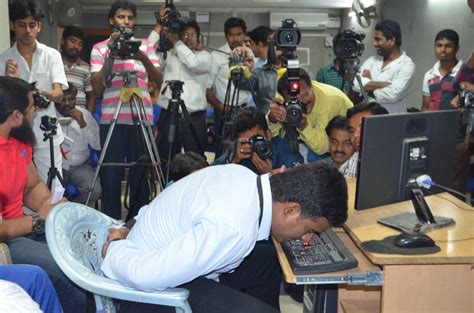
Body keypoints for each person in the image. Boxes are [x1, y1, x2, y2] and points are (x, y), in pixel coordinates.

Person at [101, 162, 348, 313]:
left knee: (268, 260)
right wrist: (116, 247)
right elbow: (143, 276)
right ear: (291, 209)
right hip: (146, 295)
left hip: (172, 263)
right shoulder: (233, 229)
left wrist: (128, 226)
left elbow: (168, 203)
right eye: (310, 230)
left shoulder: (241, 176)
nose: (306, 239)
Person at [0, 76, 85, 312]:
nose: (34, 110)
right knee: (66, 268)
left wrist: (52, 204)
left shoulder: (18, 143)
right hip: (6, 240)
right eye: (30, 107)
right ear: (16, 117)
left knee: (80, 245)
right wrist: (38, 220)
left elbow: (32, 186)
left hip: (21, 230)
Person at [90, 1, 163, 220]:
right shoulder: (100, 48)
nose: (126, 22)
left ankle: (137, 223)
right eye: (121, 17)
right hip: (111, 119)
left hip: (141, 120)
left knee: (140, 176)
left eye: (130, 18)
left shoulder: (146, 47)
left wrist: (141, 57)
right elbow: (97, 88)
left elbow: (158, 80)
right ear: (111, 20)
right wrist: (111, 55)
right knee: (111, 176)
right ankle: (111, 224)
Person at [0, 0, 68, 190]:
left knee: (54, 186)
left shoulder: (52, 55)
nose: (27, 31)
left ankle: (51, 219)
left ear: (39, 27)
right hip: (17, 133)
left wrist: (38, 94)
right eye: (21, 25)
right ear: (12, 26)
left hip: (48, 131)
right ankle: (26, 221)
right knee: (19, 187)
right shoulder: (4, 60)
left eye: (32, 25)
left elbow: (59, 94)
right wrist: (9, 80)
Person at [149, 10, 212, 168]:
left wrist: (177, 41)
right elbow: (148, 54)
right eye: (184, 34)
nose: (188, 38)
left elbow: (193, 64)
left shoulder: (205, 57)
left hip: (194, 118)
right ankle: (166, 188)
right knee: (165, 159)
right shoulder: (169, 54)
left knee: (196, 160)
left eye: (193, 35)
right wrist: (161, 34)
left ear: (199, 39)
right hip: (169, 114)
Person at [267, 69, 353, 160]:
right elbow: (269, 133)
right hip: (306, 140)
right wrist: (273, 118)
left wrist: (303, 127)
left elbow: (322, 147)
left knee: (315, 159)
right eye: (295, 100)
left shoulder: (330, 101)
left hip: (340, 143)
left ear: (312, 86)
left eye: (306, 95)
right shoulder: (282, 97)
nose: (303, 102)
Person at [207, 17, 253, 149]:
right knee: (224, 148)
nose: (235, 39)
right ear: (226, 36)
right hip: (225, 111)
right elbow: (207, 88)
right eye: (231, 35)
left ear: (244, 35)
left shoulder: (250, 54)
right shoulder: (216, 56)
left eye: (239, 34)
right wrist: (221, 107)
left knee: (247, 147)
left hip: (247, 110)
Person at [213, 107, 303, 173]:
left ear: (268, 134)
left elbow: (298, 182)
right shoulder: (239, 150)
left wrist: (269, 175)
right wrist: (232, 161)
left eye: (257, 139)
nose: (254, 145)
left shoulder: (284, 149)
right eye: (248, 142)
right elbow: (210, 173)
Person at [352, 20, 415, 114]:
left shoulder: (407, 65)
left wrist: (368, 86)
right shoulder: (371, 61)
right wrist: (384, 84)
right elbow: (356, 84)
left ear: (392, 40)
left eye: (378, 39)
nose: (374, 43)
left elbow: (393, 94)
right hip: (368, 115)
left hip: (392, 117)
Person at [55, 83, 101, 204]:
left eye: (70, 99)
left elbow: (97, 144)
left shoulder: (85, 114)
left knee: (94, 190)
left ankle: (72, 210)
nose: (67, 103)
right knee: (49, 192)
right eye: (62, 100)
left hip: (79, 166)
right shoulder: (48, 115)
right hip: (55, 166)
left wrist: (83, 124)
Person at [339, 102, 388, 178]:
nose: (355, 135)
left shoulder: (400, 160)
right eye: (352, 130)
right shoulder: (351, 163)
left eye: (362, 127)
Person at [422, 29, 463, 111]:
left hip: (458, 123)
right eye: (439, 45)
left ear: (457, 48)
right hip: (433, 123)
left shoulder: (466, 73)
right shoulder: (429, 75)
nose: (443, 50)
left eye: (448, 46)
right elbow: (426, 107)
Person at [61, 25, 96, 113]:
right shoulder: (52, 63)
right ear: (62, 41)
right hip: (56, 119)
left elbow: (91, 96)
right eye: (72, 41)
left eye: (80, 44)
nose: (76, 46)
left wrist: (88, 118)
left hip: (79, 121)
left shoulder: (86, 68)